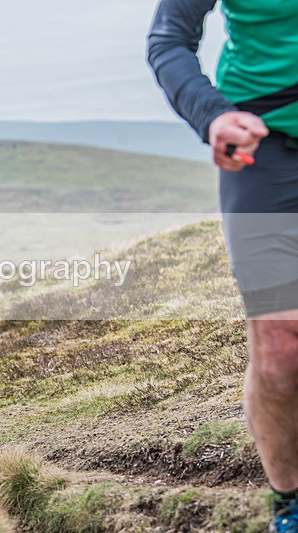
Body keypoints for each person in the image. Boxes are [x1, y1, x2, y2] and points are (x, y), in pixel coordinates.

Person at [148, 2, 298, 530]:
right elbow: (168, 40)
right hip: (265, 144)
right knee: (281, 350)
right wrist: (212, 115)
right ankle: (290, 504)